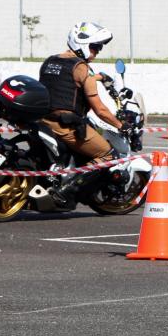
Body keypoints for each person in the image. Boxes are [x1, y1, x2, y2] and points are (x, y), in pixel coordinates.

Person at [39, 21, 124, 208]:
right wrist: (121, 125)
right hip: (65, 126)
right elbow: (99, 109)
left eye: (99, 48)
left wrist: (100, 77)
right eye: (95, 47)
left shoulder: (51, 61)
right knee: (109, 154)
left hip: (42, 121)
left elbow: (68, 80)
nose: (97, 51)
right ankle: (65, 191)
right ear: (82, 44)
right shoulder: (81, 67)